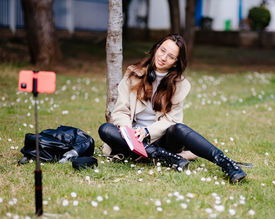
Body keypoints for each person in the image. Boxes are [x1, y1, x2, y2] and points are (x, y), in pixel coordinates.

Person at [99, 34, 247, 183]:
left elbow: (171, 120)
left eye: (170, 56)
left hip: (159, 138)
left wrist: (147, 131)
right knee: (105, 129)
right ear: (156, 48)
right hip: (132, 140)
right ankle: (166, 157)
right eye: (162, 50)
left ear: (176, 62)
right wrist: (128, 131)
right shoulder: (133, 74)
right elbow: (121, 110)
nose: (163, 57)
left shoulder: (180, 85)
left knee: (179, 128)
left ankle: (227, 164)